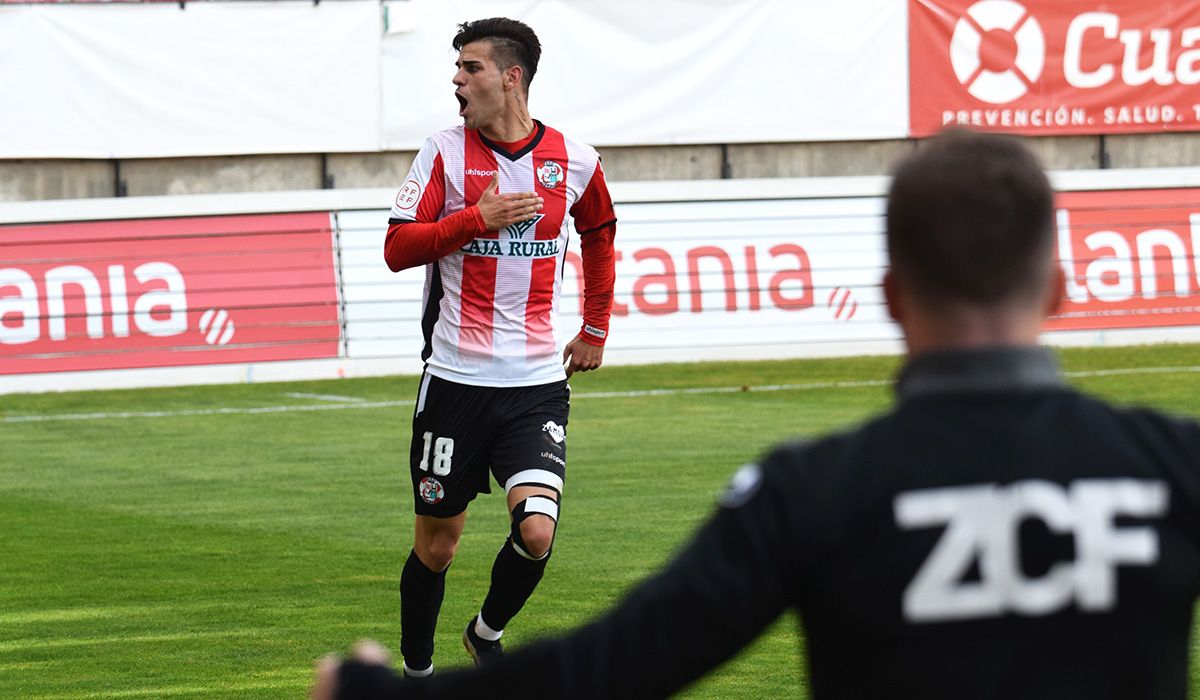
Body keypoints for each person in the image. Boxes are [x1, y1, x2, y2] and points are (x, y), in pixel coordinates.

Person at [316, 130, 1200, 699]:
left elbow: (622, 662)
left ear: (890, 297)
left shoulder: (810, 493)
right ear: (1059, 288)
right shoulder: (1175, 465)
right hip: (467, 378)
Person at [380, 17, 617, 679]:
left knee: (537, 531)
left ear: (511, 77)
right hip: (454, 382)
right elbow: (398, 248)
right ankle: (419, 674)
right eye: (457, 68)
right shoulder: (442, 153)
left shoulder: (575, 160)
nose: (457, 80)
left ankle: (486, 632)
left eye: (471, 68)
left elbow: (599, 234)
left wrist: (595, 325)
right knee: (438, 546)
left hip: (536, 382)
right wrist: (473, 221)